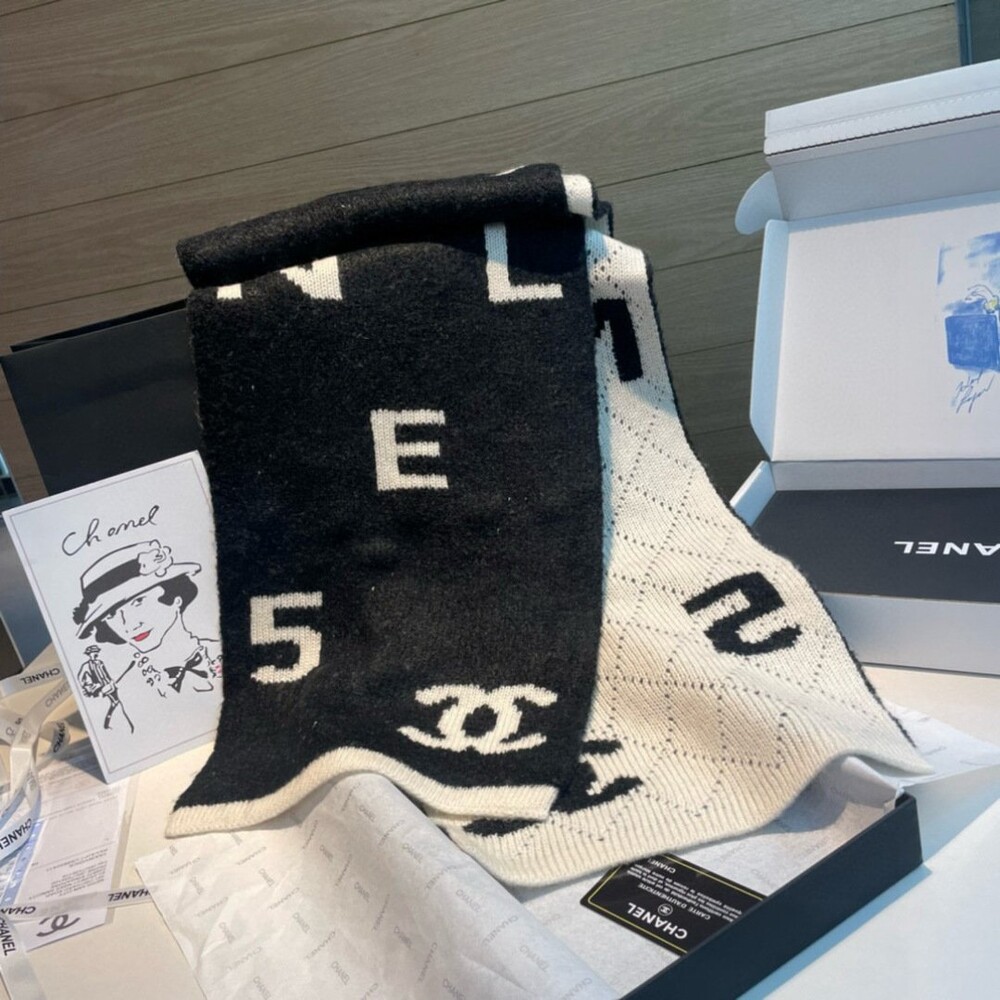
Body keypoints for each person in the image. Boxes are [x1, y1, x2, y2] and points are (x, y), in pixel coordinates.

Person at [72, 540, 221, 709]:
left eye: (138, 602)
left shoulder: (227, 650)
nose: (130, 625)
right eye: (111, 615)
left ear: (175, 598)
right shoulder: (125, 694)